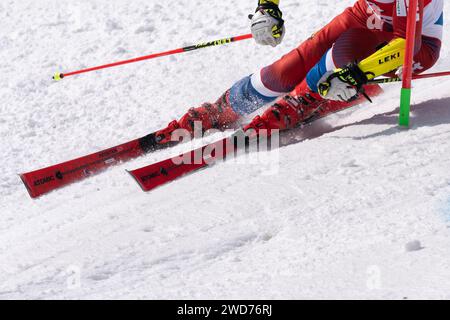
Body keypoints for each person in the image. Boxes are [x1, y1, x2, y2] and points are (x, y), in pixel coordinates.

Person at [155, 0, 443, 143]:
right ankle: (224, 108)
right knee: (286, 69)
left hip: (416, 43)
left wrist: (358, 73)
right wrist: (267, 8)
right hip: (367, 14)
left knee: (339, 57)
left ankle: (301, 101)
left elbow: (407, 42)